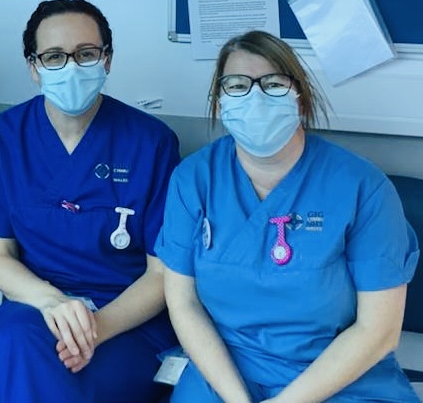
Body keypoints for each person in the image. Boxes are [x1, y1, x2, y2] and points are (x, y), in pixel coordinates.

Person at [156, 30, 420, 402]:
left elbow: (378, 331)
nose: (255, 97)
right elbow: (183, 304)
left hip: (339, 375)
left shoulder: (362, 187)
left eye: (274, 83)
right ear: (219, 101)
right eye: (236, 85)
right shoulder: (194, 179)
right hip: (224, 371)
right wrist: (236, 398)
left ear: (300, 96)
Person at [0, 0, 180, 402]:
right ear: (33, 67)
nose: (71, 67)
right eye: (53, 56)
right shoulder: (4, 137)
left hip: (125, 321)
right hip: (36, 307)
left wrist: (94, 327)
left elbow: (160, 275)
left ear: (107, 60)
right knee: (17, 341)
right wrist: (53, 303)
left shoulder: (152, 143)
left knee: (42, 378)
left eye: (85, 53)